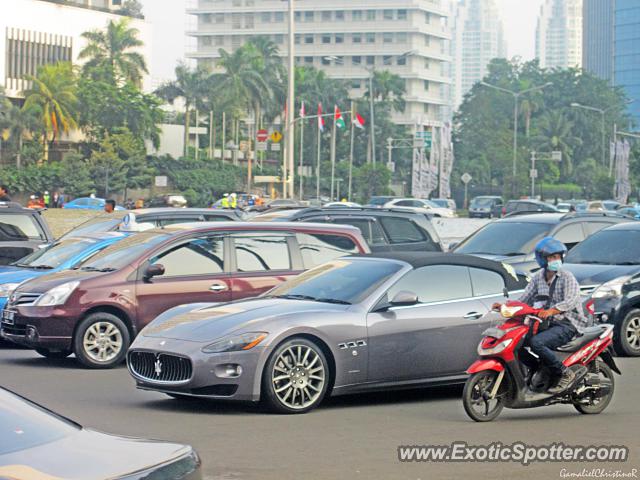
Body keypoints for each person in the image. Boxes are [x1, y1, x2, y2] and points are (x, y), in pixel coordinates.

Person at [493, 237, 590, 394]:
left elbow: (570, 301)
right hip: (545, 322)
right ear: (542, 259)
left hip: (567, 323)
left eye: (557, 257)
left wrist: (551, 311)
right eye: (552, 257)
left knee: (537, 343)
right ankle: (540, 369)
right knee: (518, 344)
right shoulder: (538, 277)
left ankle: (565, 373)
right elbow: (525, 299)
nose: (555, 260)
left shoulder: (567, 277)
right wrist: (505, 306)